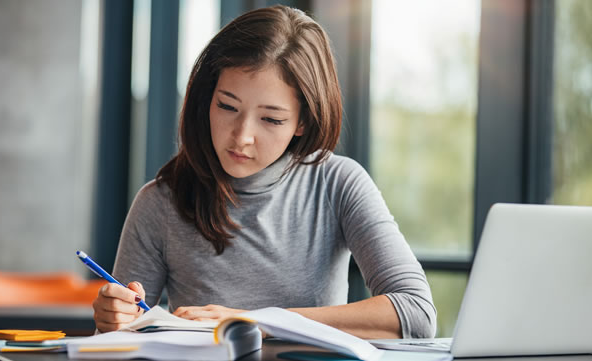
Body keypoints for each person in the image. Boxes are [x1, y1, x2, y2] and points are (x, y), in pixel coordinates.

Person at [92, 5, 436, 339]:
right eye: (227, 106)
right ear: (206, 98)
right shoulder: (161, 203)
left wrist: (257, 321)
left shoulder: (338, 184)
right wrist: (113, 321)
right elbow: (117, 342)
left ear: (303, 121)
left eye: (271, 119)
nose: (241, 137)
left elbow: (416, 312)